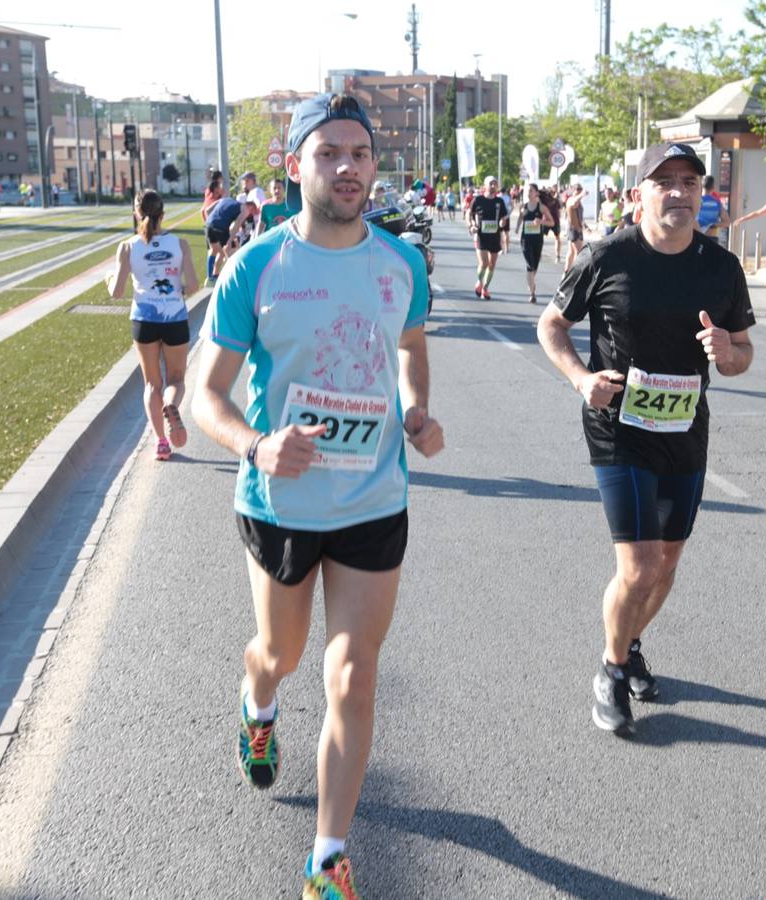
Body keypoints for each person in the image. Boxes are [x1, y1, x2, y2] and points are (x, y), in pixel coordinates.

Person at [192, 92, 444, 898]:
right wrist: (258, 444)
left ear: (376, 166)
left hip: (374, 501)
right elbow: (208, 396)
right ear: (295, 164)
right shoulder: (256, 265)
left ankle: (328, 855)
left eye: (360, 154)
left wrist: (414, 408)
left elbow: (409, 346)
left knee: (353, 676)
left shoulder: (402, 263)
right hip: (281, 505)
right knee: (285, 655)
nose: (347, 168)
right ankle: (257, 702)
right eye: (329, 153)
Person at [536, 142, 754, 738]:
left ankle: (628, 643)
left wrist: (727, 352)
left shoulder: (720, 266)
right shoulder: (606, 257)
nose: (679, 191)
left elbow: (743, 353)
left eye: (690, 180)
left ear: (702, 193)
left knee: (667, 565)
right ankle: (610, 672)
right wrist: (582, 379)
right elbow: (550, 324)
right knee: (639, 566)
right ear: (639, 193)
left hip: (684, 430)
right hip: (619, 429)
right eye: (665, 181)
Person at [106, 190, 199, 461]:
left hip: (144, 320)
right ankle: (171, 405)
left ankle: (161, 442)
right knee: (177, 380)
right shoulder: (180, 244)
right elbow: (193, 285)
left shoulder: (127, 247)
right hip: (174, 317)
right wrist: (176, 289)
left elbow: (117, 292)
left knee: (150, 385)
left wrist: (108, 278)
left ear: (136, 213)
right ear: (163, 214)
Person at [468, 175, 507, 299]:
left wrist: (502, 222)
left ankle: (484, 287)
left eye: (495, 183)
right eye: (490, 183)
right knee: (484, 263)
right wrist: (471, 225)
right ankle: (481, 284)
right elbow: (469, 214)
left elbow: (504, 218)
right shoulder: (478, 200)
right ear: (485, 186)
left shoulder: (499, 202)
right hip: (481, 236)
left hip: (495, 236)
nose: (493, 186)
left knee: (492, 264)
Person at [518, 182, 556, 303]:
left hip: (537, 240)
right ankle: (532, 293)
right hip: (525, 240)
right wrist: (517, 227)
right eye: (527, 191)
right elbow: (520, 217)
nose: (528, 193)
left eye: (530, 191)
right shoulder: (523, 206)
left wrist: (541, 222)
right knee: (530, 266)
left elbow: (552, 223)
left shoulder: (541, 208)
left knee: (534, 267)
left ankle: (531, 283)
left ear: (536, 193)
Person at [204, 190, 255, 282]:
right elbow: (237, 225)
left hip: (209, 225)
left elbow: (207, 210)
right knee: (232, 250)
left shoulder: (225, 199)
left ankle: (211, 277)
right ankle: (235, 277)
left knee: (215, 250)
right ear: (250, 206)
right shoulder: (245, 209)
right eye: (254, 210)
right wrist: (230, 240)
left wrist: (211, 222)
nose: (253, 213)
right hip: (221, 226)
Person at [565, 182, 587, 273]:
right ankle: (574, 272)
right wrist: (581, 195)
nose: (579, 191)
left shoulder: (579, 202)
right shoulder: (571, 200)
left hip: (578, 228)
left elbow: (580, 216)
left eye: (580, 189)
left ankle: (567, 271)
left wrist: (585, 226)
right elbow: (573, 203)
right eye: (577, 189)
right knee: (578, 252)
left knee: (572, 251)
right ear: (573, 191)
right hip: (573, 228)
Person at [538, 185, 563, 262]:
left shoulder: (547, 201)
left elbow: (559, 212)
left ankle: (557, 256)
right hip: (549, 220)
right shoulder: (553, 201)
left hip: (549, 220)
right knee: (555, 238)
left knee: (556, 238)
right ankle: (556, 256)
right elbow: (559, 212)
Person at [697, 175, 723, 242]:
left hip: (698, 236)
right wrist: (713, 224)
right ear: (713, 187)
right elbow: (727, 222)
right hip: (712, 237)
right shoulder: (717, 203)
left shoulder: (696, 201)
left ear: (701, 186)